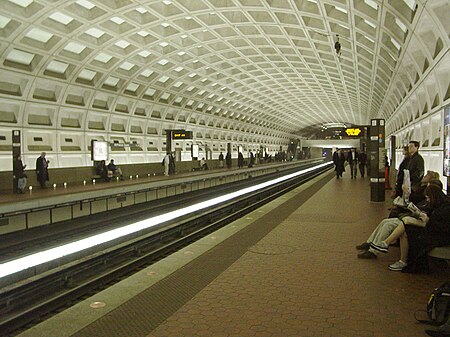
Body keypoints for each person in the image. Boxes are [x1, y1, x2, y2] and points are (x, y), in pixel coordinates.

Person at [357, 177, 442, 259]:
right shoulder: (429, 200)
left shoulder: (432, 202)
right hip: (411, 217)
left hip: (415, 221)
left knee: (388, 225)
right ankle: (370, 242)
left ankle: (373, 251)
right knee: (385, 221)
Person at [370, 184, 449, 272]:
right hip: (432, 230)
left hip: (439, 236)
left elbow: (444, 228)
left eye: (428, 198)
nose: (428, 200)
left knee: (405, 223)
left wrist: (427, 220)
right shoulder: (438, 205)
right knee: (405, 229)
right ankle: (399, 257)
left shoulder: (446, 208)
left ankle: (386, 244)